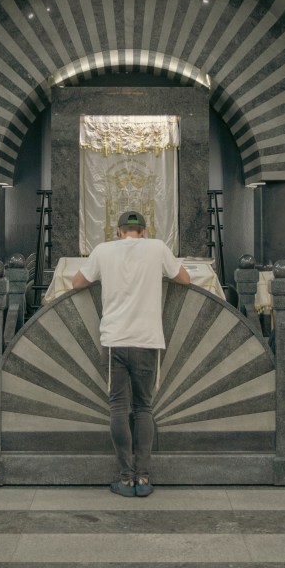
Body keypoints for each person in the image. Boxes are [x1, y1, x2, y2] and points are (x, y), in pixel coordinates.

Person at [72, 209, 192, 497]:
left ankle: (126, 478)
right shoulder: (157, 247)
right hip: (147, 340)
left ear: (118, 231)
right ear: (144, 231)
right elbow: (184, 279)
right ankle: (143, 478)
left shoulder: (103, 250)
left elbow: (77, 282)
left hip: (114, 339)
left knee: (118, 407)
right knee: (143, 408)